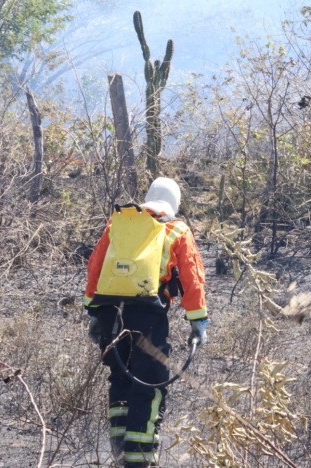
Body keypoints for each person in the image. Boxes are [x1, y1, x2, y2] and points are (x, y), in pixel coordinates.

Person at [84, 177, 208, 468]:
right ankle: (138, 460)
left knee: (120, 379)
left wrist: (94, 311)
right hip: (148, 316)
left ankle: (119, 452)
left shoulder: (119, 223)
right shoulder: (176, 228)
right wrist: (198, 321)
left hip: (110, 313)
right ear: (174, 203)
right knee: (150, 383)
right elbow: (192, 278)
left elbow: (96, 265)